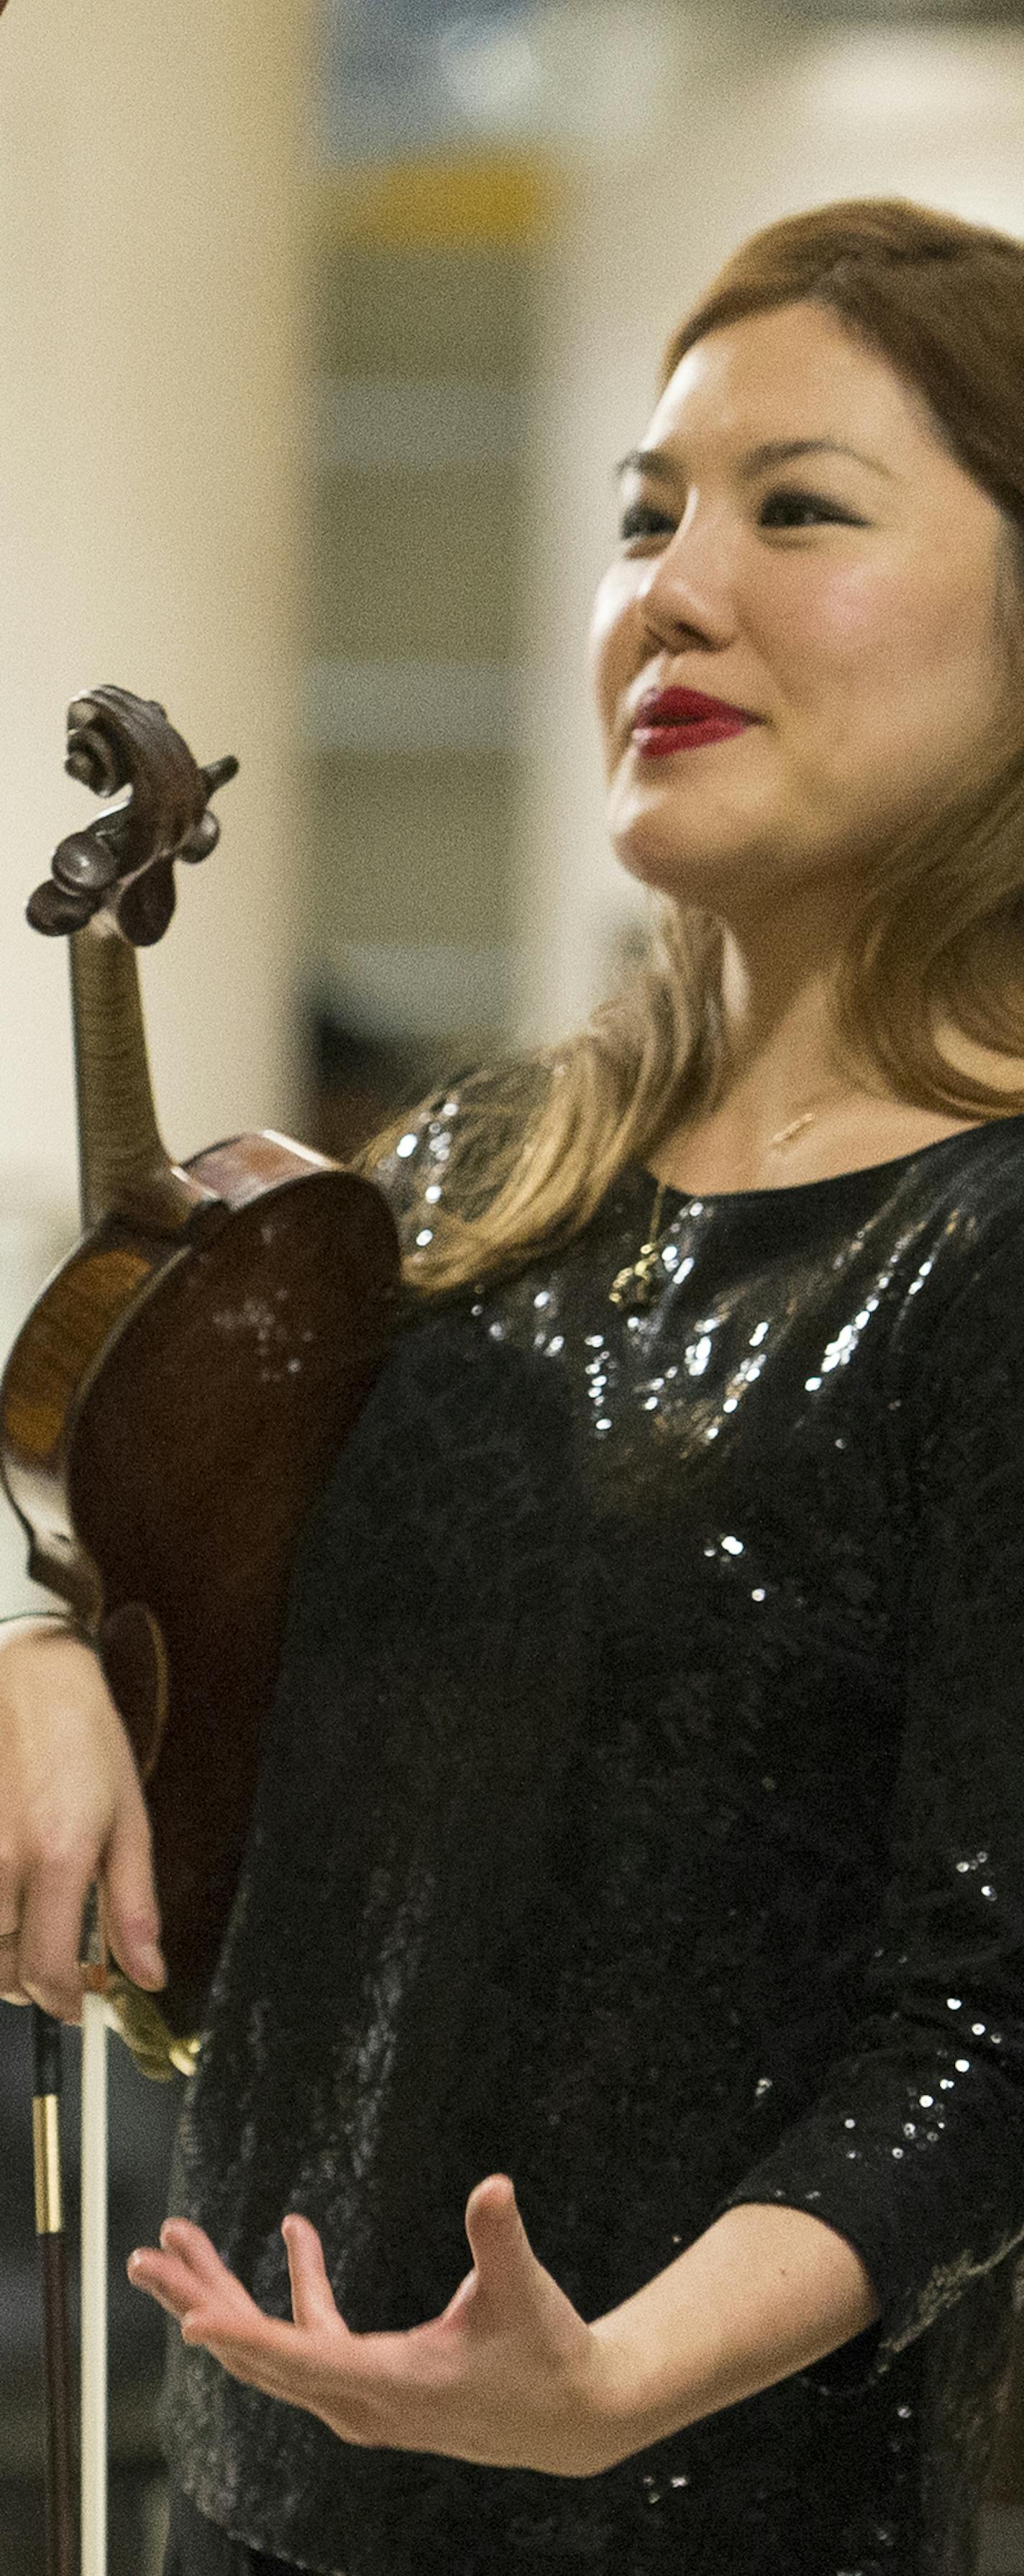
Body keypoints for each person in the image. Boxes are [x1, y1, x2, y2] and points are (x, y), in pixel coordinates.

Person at [4, 193, 1024, 2575]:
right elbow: (264, 1772)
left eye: (801, 509)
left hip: (704, 2524)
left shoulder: (991, 1248)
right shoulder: (474, 1171)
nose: (675, 588)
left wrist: (619, 2380)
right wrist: (57, 1657)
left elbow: (995, 2017)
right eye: (647, 515)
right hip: (246, 2503)